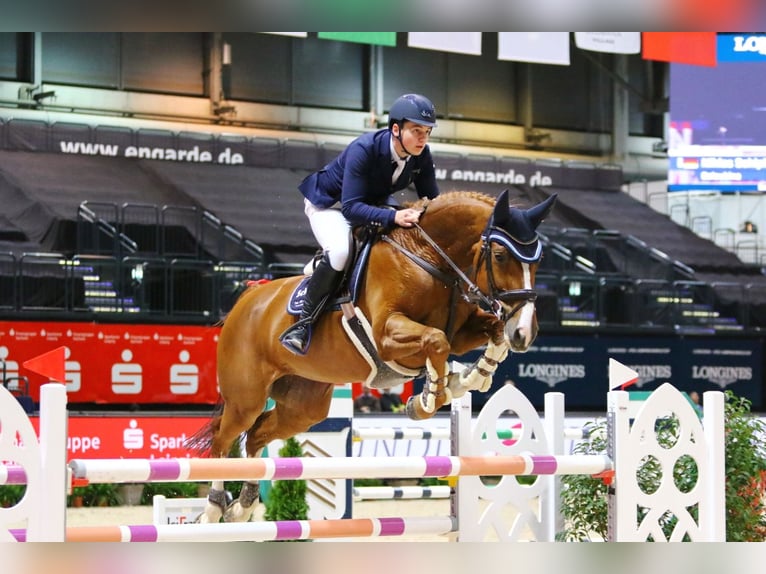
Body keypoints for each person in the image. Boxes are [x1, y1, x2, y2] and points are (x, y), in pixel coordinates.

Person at [280, 93, 441, 354]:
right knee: (342, 251)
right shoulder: (364, 149)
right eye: (416, 131)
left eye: (427, 132)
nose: (423, 138)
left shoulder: (420, 155)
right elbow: (352, 209)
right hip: (331, 205)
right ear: (396, 129)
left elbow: (432, 199)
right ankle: (302, 324)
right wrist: (394, 216)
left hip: (370, 202)